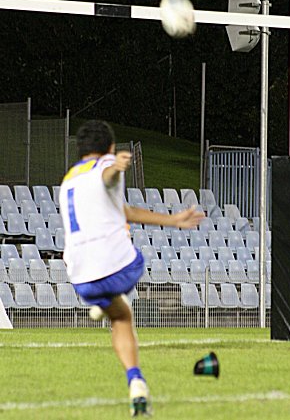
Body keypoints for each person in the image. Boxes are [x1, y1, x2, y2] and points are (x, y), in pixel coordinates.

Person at [59, 120, 204, 416]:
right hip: (118, 267)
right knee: (136, 261)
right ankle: (108, 298)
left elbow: (124, 210)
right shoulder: (106, 165)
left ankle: (135, 381)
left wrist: (172, 219)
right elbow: (107, 176)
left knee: (121, 315)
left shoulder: (69, 180)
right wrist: (117, 165)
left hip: (80, 276)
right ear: (109, 148)